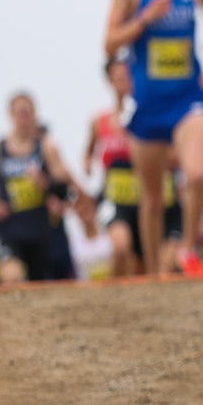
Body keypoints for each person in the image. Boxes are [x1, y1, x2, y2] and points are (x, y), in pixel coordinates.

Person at [104, 0, 203, 276]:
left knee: (196, 175)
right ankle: (154, 273)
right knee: (152, 199)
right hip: (148, 103)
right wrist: (144, 19)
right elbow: (109, 43)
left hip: (188, 98)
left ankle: (188, 248)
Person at [0, 92, 89, 285]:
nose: (24, 118)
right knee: (12, 276)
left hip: (40, 229)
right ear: (10, 115)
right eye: (20, 113)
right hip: (10, 228)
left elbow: (64, 188)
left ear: (35, 114)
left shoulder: (47, 148)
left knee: (39, 284)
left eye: (28, 113)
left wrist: (45, 183)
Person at [82, 56, 142, 276]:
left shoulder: (144, 119)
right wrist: (88, 165)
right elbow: (88, 153)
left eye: (126, 77)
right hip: (113, 196)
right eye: (117, 78)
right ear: (109, 81)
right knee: (120, 246)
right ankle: (114, 291)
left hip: (142, 195)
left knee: (142, 262)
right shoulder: (100, 121)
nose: (122, 83)